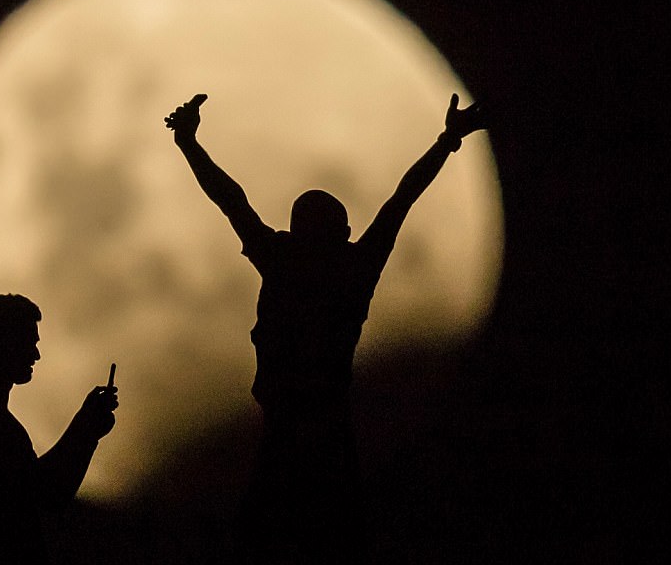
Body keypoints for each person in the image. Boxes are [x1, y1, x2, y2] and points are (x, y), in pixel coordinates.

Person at [165, 93, 487, 562]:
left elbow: (231, 200)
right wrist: (446, 142)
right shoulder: (350, 265)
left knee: (273, 535)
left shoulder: (290, 260)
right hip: (318, 431)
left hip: (302, 430)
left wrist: (189, 145)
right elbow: (401, 199)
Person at [0, 294, 118, 565]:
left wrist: (87, 429)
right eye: (28, 343)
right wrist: (85, 429)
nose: (36, 354)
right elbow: (45, 493)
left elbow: (46, 492)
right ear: (4, 344)